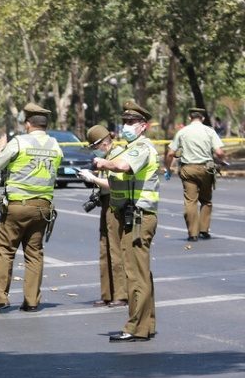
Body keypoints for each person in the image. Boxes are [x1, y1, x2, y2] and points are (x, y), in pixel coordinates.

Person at [0, 103, 62, 314]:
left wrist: (0, 146)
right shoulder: (55, 145)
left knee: (6, 251)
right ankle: (32, 301)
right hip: (42, 207)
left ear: (28, 124)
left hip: (18, 206)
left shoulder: (19, 142)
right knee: (34, 254)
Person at [92, 101, 159, 342]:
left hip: (140, 217)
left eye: (131, 122)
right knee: (141, 273)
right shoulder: (132, 147)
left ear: (143, 126)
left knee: (135, 274)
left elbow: (123, 166)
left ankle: (135, 327)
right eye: (125, 122)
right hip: (134, 214)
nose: (126, 126)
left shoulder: (141, 147)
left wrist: (104, 163)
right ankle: (146, 325)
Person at [78, 125, 128, 308]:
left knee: (115, 249)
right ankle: (107, 294)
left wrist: (93, 179)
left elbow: (115, 184)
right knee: (104, 249)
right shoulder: (107, 155)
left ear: (104, 143)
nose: (94, 150)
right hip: (106, 202)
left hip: (117, 203)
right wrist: (91, 174)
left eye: (95, 146)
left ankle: (121, 294)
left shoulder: (118, 155)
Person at [164, 107, 226, 242]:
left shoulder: (182, 132)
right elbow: (219, 152)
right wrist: (222, 161)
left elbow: (170, 153)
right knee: (206, 200)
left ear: (189, 118)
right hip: (206, 169)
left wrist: (168, 169)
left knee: (190, 201)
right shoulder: (209, 131)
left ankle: (192, 233)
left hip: (188, 169)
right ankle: (204, 230)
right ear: (202, 118)